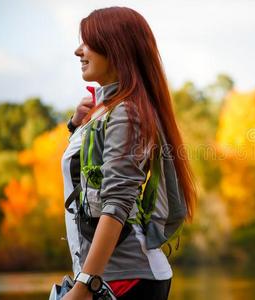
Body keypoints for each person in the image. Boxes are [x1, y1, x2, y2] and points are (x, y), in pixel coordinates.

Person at [60, 6, 196, 300]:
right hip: (111, 276)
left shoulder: (127, 113)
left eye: (87, 42)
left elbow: (116, 204)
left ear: (116, 48)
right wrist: (75, 127)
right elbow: (84, 183)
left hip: (126, 281)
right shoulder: (108, 111)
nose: (77, 51)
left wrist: (85, 286)